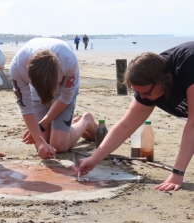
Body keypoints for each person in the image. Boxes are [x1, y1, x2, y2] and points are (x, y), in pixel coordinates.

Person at [75, 41, 194, 192]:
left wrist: (177, 173)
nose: (142, 97)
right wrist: (94, 158)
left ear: (162, 81)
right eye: (138, 93)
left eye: (146, 93)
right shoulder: (148, 85)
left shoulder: (188, 66)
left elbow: (193, 124)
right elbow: (126, 125)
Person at [10, 38, 97, 159]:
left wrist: (41, 125)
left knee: (59, 146)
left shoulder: (68, 61)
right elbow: (25, 106)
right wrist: (40, 142)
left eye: (57, 82)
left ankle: (86, 121)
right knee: (43, 143)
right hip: (37, 90)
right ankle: (70, 127)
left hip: (65, 92)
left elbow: (66, 98)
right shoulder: (17, 68)